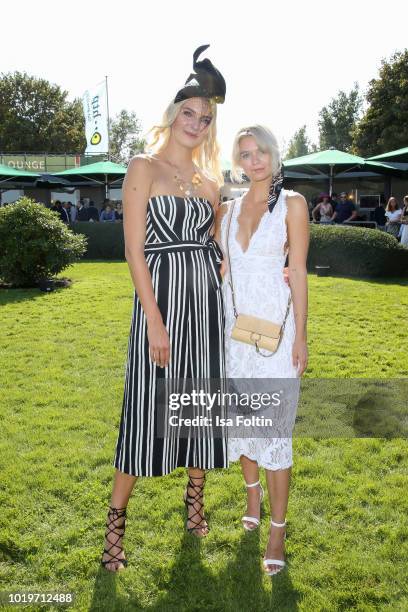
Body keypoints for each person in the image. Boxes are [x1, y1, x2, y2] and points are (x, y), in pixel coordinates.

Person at [101, 44, 228, 572]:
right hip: (162, 306)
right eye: (189, 112)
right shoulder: (143, 167)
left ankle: (194, 507)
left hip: (206, 307)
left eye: (206, 117)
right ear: (173, 114)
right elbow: (134, 250)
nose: (196, 123)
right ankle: (113, 535)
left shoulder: (211, 181)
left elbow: (218, 247)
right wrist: (154, 318)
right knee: (144, 414)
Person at [215, 125, 309, 577]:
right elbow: (220, 268)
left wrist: (303, 336)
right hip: (236, 336)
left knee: (275, 432)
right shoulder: (227, 210)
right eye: (245, 154)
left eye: (261, 152)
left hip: (277, 332)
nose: (254, 161)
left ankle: (277, 527)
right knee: (242, 424)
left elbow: (300, 272)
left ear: (274, 155)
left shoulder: (293, 204)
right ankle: (252, 492)